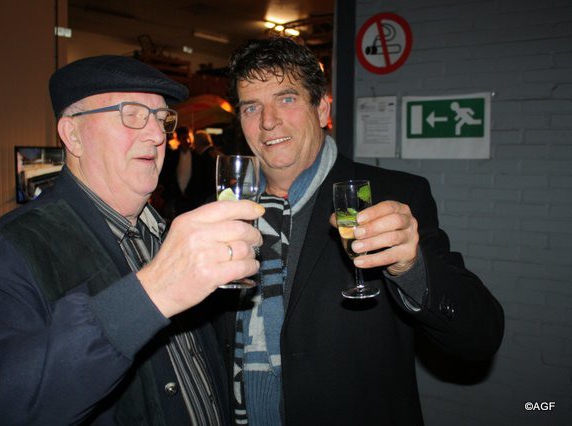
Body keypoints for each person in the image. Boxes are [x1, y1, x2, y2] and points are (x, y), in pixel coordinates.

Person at [0, 55, 264, 425]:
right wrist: (151, 294)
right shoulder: (14, 248)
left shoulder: (168, 232)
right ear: (72, 135)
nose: (158, 135)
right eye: (132, 114)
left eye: (161, 118)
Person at [212, 37, 505, 425]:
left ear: (322, 109)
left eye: (287, 99)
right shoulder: (223, 211)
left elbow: (480, 337)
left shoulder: (392, 196)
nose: (268, 121)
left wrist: (411, 269)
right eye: (252, 107)